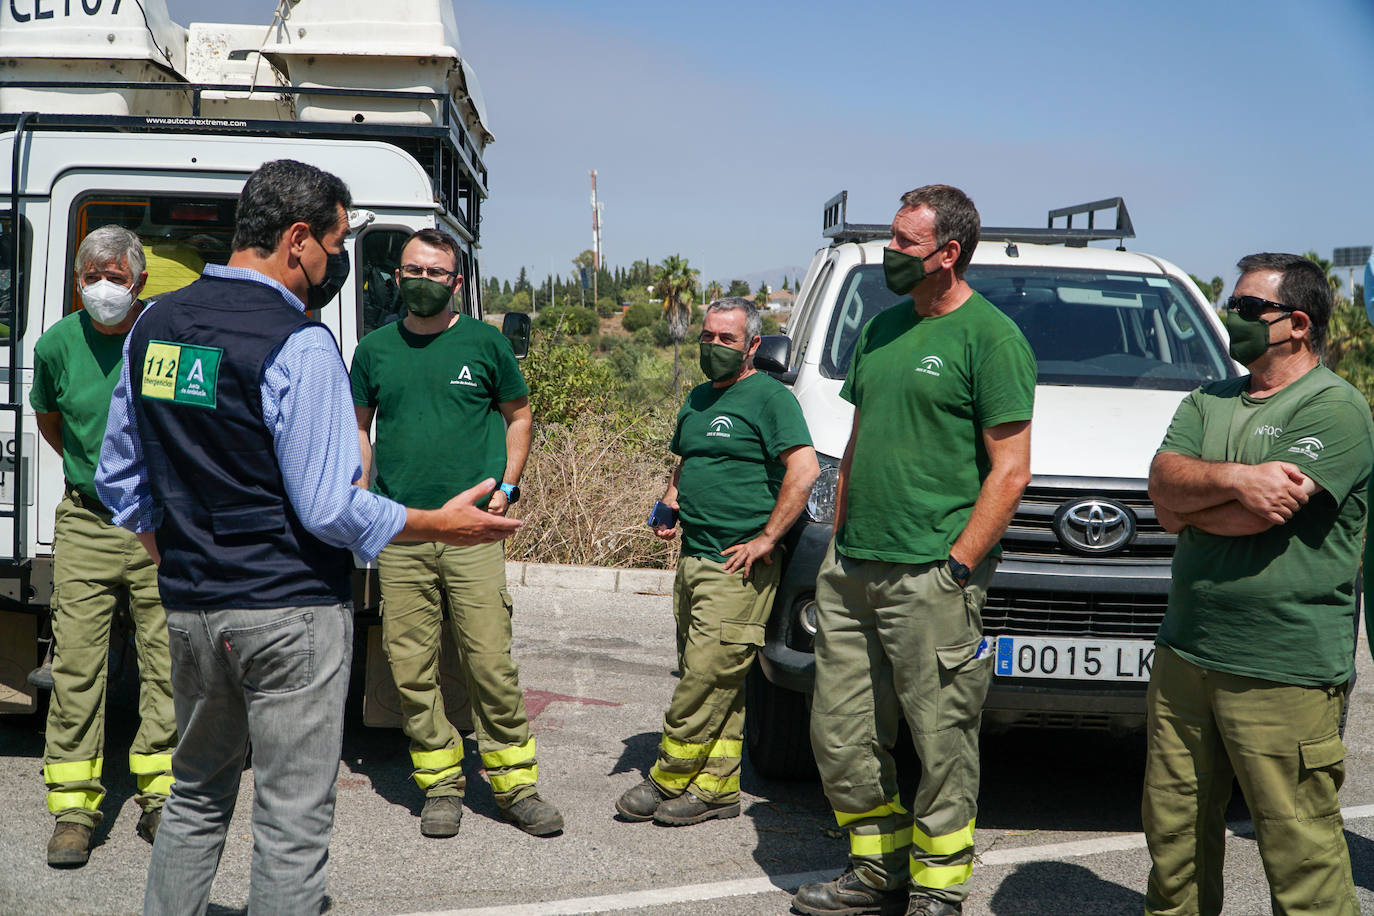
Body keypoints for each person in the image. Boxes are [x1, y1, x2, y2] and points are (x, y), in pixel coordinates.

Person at [95, 159, 521, 915]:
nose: (338, 261)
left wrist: (180, 559)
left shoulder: (152, 327)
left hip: (190, 609)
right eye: (335, 241)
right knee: (291, 821)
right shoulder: (300, 343)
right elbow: (329, 507)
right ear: (297, 240)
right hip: (288, 614)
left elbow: (121, 479)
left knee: (193, 797)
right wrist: (435, 524)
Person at [794, 185, 1035, 916]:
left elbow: (1011, 469)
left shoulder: (991, 339)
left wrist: (958, 563)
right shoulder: (882, 326)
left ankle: (938, 891)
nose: (890, 254)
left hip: (932, 576)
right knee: (841, 736)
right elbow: (864, 434)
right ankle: (874, 874)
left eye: (905, 243)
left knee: (942, 741)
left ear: (948, 253)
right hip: (852, 568)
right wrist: (837, 539)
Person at [1144, 253, 1371, 916]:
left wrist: (1198, 499)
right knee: (1174, 847)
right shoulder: (1209, 398)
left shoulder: (1335, 408)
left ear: (1297, 323)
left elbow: (1259, 517)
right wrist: (1239, 478)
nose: (1230, 319)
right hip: (1186, 656)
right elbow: (1161, 494)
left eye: (1247, 309)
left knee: (1302, 861)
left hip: (1284, 672)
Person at [351, 228, 561, 839]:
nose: (422, 281)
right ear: (398, 276)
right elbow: (361, 429)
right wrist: (362, 496)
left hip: (473, 532)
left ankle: (515, 784)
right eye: (412, 270)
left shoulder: (486, 344)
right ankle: (440, 783)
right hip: (402, 531)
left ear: (457, 282)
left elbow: (518, 417)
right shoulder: (374, 350)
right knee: (410, 666)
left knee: (489, 661)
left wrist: (509, 485)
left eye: (436, 273)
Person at [615, 297, 818, 827]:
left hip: (739, 566)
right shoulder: (699, 398)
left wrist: (767, 539)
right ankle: (716, 790)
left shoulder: (771, 399)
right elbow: (688, 463)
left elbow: (804, 470)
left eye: (726, 339)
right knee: (717, 678)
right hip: (693, 558)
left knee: (705, 676)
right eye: (707, 337)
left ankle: (666, 774)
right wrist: (668, 506)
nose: (713, 347)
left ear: (752, 345)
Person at [35, 225, 176, 868]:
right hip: (88, 523)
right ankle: (72, 810)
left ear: (139, 282)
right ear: (76, 280)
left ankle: (163, 797)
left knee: (168, 662)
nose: (101, 289)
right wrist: (93, 478)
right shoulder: (57, 344)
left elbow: (191, 427)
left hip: (157, 524)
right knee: (76, 668)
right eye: (90, 276)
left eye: (114, 278)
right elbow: (52, 422)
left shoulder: (169, 341)